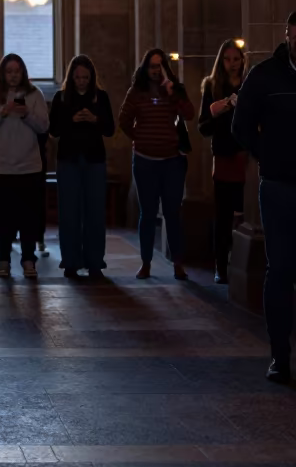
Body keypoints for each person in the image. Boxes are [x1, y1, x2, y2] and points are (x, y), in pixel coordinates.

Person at [233, 13, 296, 383]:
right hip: (278, 186)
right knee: (281, 270)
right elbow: (240, 124)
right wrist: (266, 154)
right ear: (287, 35)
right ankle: (280, 357)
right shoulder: (265, 75)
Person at [119, 48, 195, 281]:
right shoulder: (136, 92)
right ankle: (146, 263)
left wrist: (173, 94)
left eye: (159, 66)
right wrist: (140, 138)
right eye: (152, 66)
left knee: (173, 212)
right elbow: (124, 119)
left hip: (172, 161)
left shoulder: (175, 89)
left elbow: (190, 114)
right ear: (145, 68)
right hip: (145, 161)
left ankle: (178, 263)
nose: (155, 70)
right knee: (148, 213)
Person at [0, 54, 50, 280]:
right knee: (4, 217)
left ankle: (28, 259)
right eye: (8, 71)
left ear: (23, 73)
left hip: (29, 166)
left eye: (16, 71)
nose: (12, 76)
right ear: (2, 73)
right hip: (1, 166)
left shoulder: (34, 94)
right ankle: (4, 259)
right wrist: (3, 112)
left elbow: (43, 126)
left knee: (28, 216)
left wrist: (26, 113)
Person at [49, 54, 115, 278]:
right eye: (78, 78)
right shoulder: (61, 98)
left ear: (91, 77)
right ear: (71, 77)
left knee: (95, 212)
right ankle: (71, 261)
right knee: (69, 212)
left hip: (94, 160)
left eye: (85, 78)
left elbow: (110, 129)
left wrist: (95, 119)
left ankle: (95, 262)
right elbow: (53, 130)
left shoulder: (101, 97)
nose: (81, 82)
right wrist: (72, 120)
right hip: (68, 160)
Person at [198, 39, 247, 285]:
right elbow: (203, 126)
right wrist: (225, 106)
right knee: (223, 214)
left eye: (236, 59)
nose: (232, 64)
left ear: (243, 60)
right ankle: (220, 266)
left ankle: (241, 260)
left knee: (245, 212)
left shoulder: (249, 84)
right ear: (221, 61)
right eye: (227, 59)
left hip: (246, 157)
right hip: (224, 157)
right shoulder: (212, 86)